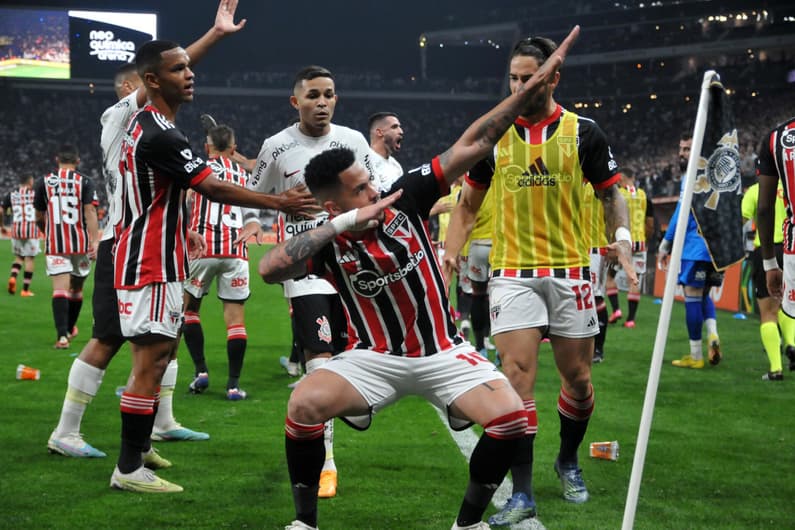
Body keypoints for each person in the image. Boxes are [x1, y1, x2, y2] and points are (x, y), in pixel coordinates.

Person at [259, 25, 579, 530]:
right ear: (333, 205)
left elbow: (473, 142)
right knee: (302, 404)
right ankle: (305, 522)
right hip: (374, 357)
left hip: (442, 350)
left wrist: (523, 93)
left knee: (512, 418)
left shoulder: (406, 196)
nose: (372, 191)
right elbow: (269, 268)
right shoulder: (331, 239)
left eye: (369, 182)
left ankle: (467, 523)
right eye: (360, 189)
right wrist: (340, 225)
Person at [442, 34, 635, 525]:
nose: (520, 85)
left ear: (553, 76)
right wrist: (449, 255)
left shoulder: (584, 132)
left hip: (571, 272)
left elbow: (612, 194)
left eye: (529, 77)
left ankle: (568, 459)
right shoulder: (494, 134)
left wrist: (624, 237)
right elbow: (467, 206)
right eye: (513, 77)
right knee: (516, 380)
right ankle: (522, 492)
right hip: (513, 275)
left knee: (579, 380)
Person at [109, 39, 317, 493]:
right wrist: (279, 201)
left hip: (155, 254)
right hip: (150, 262)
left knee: (159, 357)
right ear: (152, 81)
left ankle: (140, 447)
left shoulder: (141, 122)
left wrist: (183, 226)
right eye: (179, 69)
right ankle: (127, 469)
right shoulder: (162, 133)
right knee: (150, 361)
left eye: (189, 66)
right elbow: (212, 187)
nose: (190, 74)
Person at [47, 0, 251, 459]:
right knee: (108, 337)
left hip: (158, 242)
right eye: (137, 85)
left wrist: (183, 228)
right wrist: (214, 36)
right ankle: (66, 431)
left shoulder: (150, 120)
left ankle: (161, 423)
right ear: (136, 86)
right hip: (123, 243)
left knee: (166, 334)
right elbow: (169, 71)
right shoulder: (120, 119)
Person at [240, 65, 381, 499]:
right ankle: (327, 463)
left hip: (351, 265)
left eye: (329, 95)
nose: (322, 102)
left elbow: (373, 193)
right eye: (313, 95)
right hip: (305, 270)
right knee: (319, 359)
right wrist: (254, 219)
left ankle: (356, 398)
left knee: (348, 356)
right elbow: (254, 194)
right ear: (295, 101)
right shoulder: (277, 146)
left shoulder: (354, 141)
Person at [182, 124, 252, 400]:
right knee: (235, 322)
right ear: (233, 148)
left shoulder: (197, 167)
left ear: (206, 147)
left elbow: (182, 199)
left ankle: (201, 372)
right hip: (236, 252)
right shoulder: (244, 175)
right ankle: (233, 386)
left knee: (189, 311)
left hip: (202, 248)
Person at [657, 133, 723, 369]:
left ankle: (695, 356)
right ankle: (713, 334)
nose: (681, 153)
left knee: (692, 297)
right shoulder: (713, 176)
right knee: (704, 294)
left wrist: (666, 244)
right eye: (681, 149)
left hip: (694, 248)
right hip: (714, 249)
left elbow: (680, 215)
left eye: (686, 149)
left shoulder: (692, 177)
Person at [33, 144, 99, 349]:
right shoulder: (85, 181)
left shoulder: (43, 182)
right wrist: (94, 240)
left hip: (56, 244)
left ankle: (62, 337)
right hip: (80, 245)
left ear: (57, 159)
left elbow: (39, 215)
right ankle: (70, 328)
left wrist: (45, 231)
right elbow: (90, 212)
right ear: (77, 161)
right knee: (76, 289)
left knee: (60, 289)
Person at [742, 180, 795, 380]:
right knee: (787, 304)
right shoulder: (791, 187)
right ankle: (791, 344)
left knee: (768, 312)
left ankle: (775, 369)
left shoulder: (756, 190)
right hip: (790, 249)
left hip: (766, 251)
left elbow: (742, 217)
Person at [756, 116, 795, 375]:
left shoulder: (776, 138)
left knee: (770, 310)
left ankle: (776, 366)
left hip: (787, 247)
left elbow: (763, 209)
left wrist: (769, 262)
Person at [606, 168, 655, 328]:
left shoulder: (618, 194)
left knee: (609, 276)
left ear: (620, 179)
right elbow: (650, 223)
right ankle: (630, 320)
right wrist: (645, 239)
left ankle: (616, 310)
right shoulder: (644, 196)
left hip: (622, 243)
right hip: (639, 244)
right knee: (634, 281)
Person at [2, 175, 41, 296]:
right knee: (29, 259)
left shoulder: (11, 194)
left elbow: (0, 210)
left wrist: (2, 226)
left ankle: (13, 277)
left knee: (19, 257)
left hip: (16, 230)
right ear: (30, 182)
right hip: (31, 231)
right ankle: (25, 290)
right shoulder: (34, 194)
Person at [368, 111, 404, 191]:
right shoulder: (364, 161)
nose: (401, 131)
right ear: (380, 132)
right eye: (394, 127)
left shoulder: (396, 166)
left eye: (399, 127)